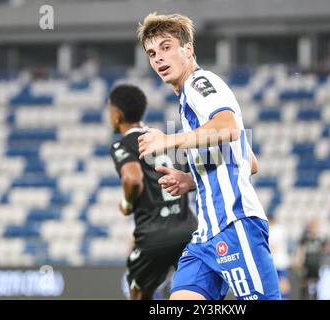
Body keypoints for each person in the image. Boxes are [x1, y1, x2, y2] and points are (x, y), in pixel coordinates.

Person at [136, 13, 282, 300]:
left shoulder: (199, 84)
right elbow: (250, 162)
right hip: (206, 236)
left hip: (234, 224)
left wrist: (168, 141)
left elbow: (228, 127)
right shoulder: (185, 100)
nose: (158, 59)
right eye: (152, 53)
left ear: (188, 49)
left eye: (166, 47)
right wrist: (192, 180)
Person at [108, 84, 197, 300]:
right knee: (193, 294)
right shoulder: (164, 139)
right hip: (188, 229)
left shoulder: (124, 145)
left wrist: (127, 204)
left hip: (153, 236)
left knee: (138, 293)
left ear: (117, 115)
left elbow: (132, 178)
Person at [293, 219, 330, 300]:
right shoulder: (305, 239)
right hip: (306, 263)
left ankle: (315, 297)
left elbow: (325, 250)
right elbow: (300, 250)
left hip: (316, 264)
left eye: (314, 226)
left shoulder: (320, 239)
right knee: (304, 283)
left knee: (315, 283)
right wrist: (298, 261)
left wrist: (325, 249)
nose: (313, 228)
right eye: (311, 226)